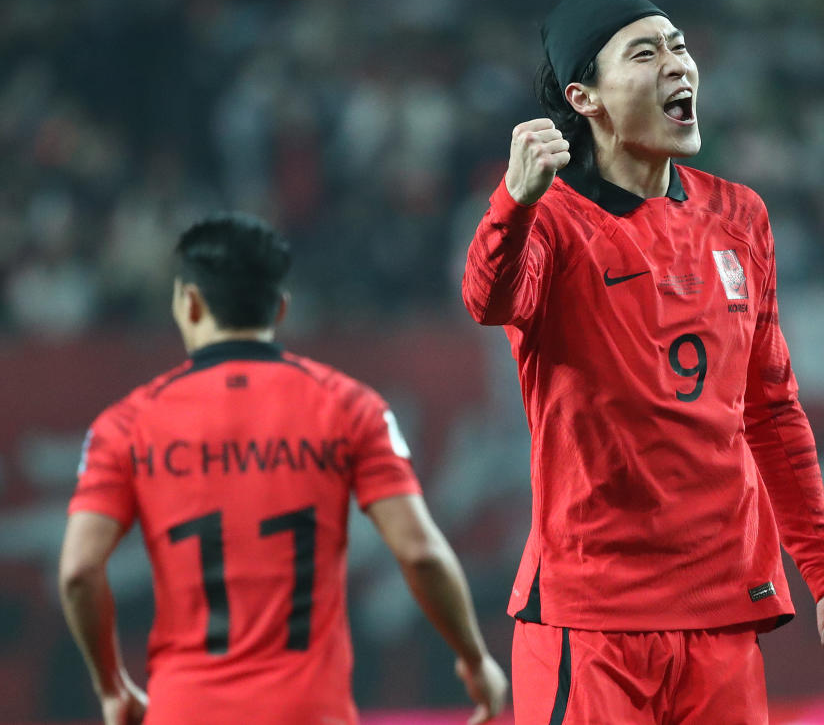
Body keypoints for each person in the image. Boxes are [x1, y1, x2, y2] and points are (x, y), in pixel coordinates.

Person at [461, 0, 824, 725]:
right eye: (645, 53)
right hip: (591, 620)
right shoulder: (551, 219)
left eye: (681, 48)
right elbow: (489, 299)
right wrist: (511, 202)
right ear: (584, 97)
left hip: (722, 611)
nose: (679, 66)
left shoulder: (739, 215)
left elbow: (773, 415)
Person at [60, 213, 508, 725]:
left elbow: (78, 572)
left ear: (188, 302)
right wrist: (475, 660)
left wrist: (111, 685)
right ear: (280, 307)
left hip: (185, 710)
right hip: (308, 711)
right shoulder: (348, 405)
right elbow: (421, 552)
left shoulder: (126, 424)